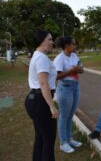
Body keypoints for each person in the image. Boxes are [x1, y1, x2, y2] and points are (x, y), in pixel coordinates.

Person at [25, 29, 59, 161]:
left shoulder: (36, 55)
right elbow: (43, 84)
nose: (52, 42)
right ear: (42, 41)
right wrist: (52, 106)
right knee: (48, 140)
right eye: (49, 39)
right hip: (41, 101)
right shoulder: (42, 58)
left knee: (41, 137)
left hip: (34, 99)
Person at [53, 36, 84, 153]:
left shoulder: (74, 56)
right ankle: (63, 142)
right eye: (73, 44)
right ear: (66, 46)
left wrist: (78, 69)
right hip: (65, 88)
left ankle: (70, 139)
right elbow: (57, 76)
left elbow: (81, 69)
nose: (75, 46)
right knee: (64, 116)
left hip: (75, 87)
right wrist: (72, 70)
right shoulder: (59, 59)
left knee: (70, 115)